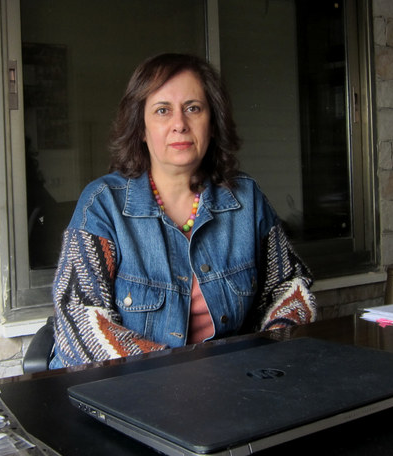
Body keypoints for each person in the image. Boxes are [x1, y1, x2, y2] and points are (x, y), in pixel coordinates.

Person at [50, 53, 316, 369]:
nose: (180, 124)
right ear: (141, 129)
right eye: (163, 111)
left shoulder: (246, 198)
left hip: (230, 386)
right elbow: (78, 318)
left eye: (193, 108)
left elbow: (289, 288)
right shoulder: (102, 204)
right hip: (130, 387)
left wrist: (269, 357)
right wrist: (169, 373)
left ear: (213, 123)